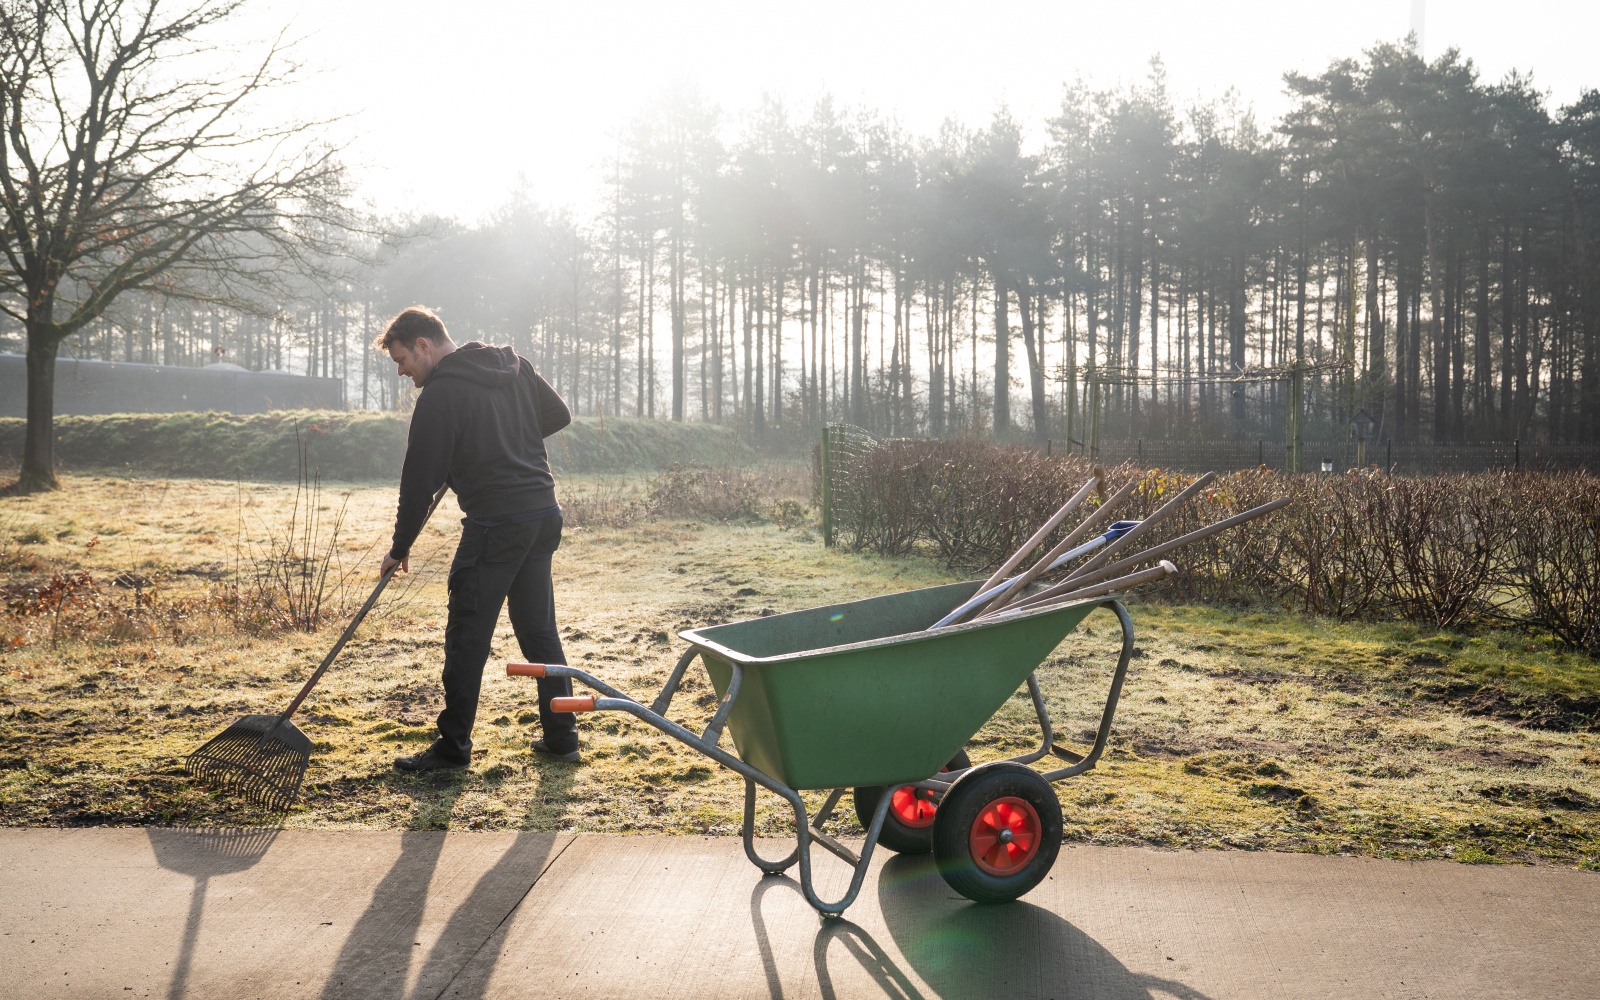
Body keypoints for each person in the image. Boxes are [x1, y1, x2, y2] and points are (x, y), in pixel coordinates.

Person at [375, 305, 580, 771]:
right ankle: (562, 737)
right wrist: (504, 439)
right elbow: (558, 414)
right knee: (538, 631)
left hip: (496, 525)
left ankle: (451, 751)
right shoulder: (513, 364)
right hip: (543, 513)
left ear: (424, 345)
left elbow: (418, 481)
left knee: (467, 636)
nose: (404, 371)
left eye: (402, 360)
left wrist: (399, 547)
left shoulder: (439, 396)